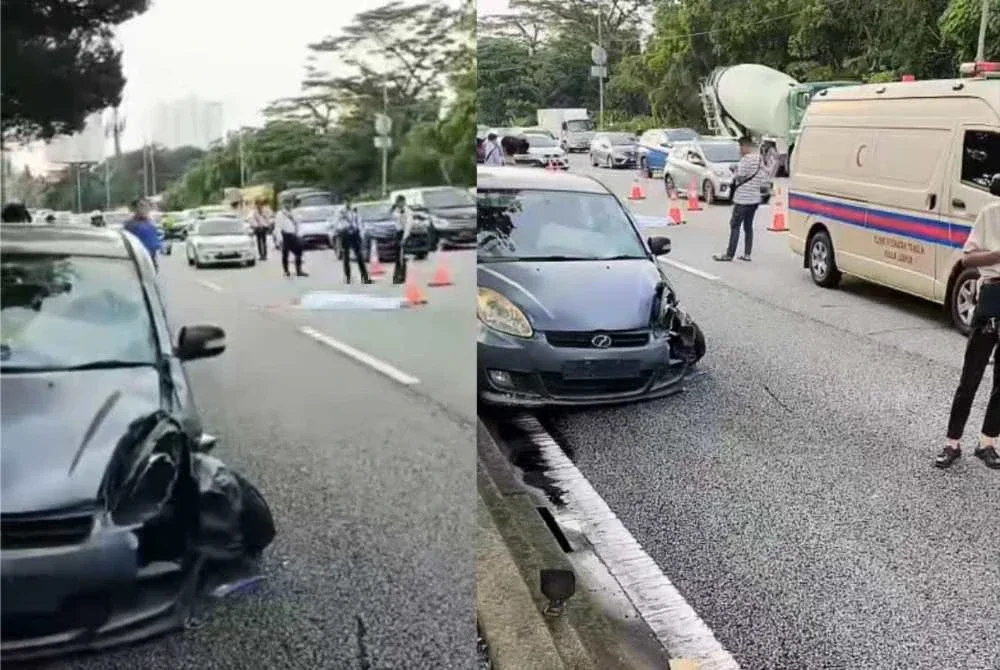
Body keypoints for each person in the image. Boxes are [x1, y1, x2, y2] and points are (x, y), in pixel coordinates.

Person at [937, 176, 1000, 470]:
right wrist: (998, 255)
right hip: (993, 294)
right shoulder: (990, 214)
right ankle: (952, 443)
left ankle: (987, 443)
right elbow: (967, 259)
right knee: (971, 375)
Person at [713, 137, 766, 262]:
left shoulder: (746, 159)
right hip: (754, 199)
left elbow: (739, 176)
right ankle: (747, 254)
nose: (739, 150)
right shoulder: (759, 159)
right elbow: (762, 175)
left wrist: (734, 170)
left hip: (742, 199)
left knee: (735, 225)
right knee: (748, 226)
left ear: (745, 146)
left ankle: (729, 254)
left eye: (740, 147)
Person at [336, 199, 371, 284]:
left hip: (355, 234)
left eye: (349, 201)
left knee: (359, 256)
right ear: (344, 202)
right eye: (346, 201)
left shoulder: (354, 210)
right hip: (345, 234)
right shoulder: (340, 211)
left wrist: (361, 233)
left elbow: (359, 221)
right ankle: (347, 277)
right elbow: (337, 224)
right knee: (346, 256)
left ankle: (365, 277)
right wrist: (345, 228)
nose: (348, 203)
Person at [124, 198, 162, 271]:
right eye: (141, 206)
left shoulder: (150, 223)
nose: (144, 209)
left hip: (150, 258)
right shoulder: (130, 225)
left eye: (146, 206)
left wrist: (160, 246)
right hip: (137, 259)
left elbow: (155, 240)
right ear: (135, 209)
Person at [275, 199, 307, 277]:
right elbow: (278, 227)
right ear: (284, 204)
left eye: (289, 203)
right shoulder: (280, 214)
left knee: (298, 251)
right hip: (285, 235)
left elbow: (298, 223)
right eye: (287, 203)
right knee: (285, 254)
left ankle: (299, 271)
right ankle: (286, 271)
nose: (288, 205)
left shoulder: (294, 212)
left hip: (293, 235)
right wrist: (280, 239)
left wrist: (299, 234)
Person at [389, 195, 413, 284]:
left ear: (403, 202)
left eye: (400, 202)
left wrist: (404, 238)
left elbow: (408, 226)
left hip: (404, 234)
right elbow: (392, 218)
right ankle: (396, 276)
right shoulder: (395, 210)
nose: (399, 204)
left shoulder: (408, 211)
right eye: (397, 202)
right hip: (397, 233)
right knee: (397, 256)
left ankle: (402, 277)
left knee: (402, 257)